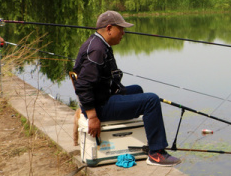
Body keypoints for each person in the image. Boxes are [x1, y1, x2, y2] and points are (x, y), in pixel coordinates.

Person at [73, 11, 181, 167]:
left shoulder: (98, 43)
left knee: (137, 89)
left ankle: (145, 140)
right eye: (121, 29)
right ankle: (156, 154)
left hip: (103, 97)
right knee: (151, 100)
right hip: (99, 106)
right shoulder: (97, 50)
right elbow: (83, 86)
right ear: (109, 28)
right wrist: (93, 117)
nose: (124, 33)